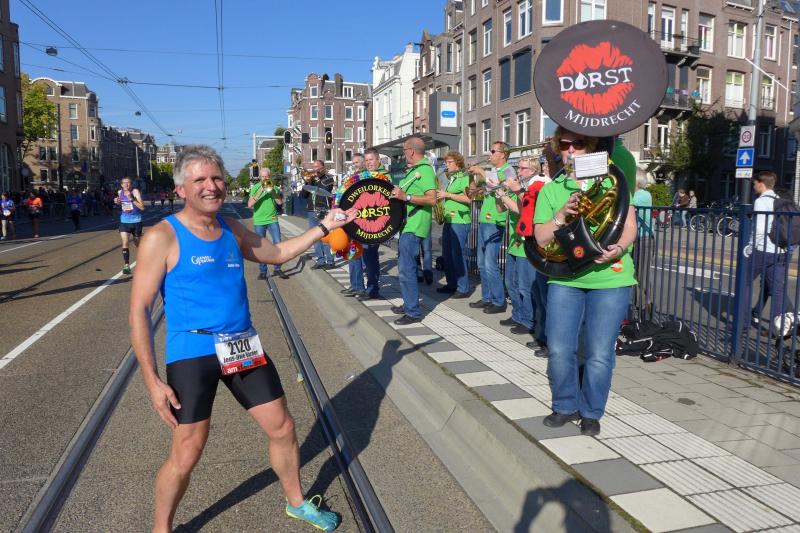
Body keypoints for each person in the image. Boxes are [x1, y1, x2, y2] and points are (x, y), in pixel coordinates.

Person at [129, 145, 354, 533]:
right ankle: (161, 528)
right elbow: (138, 311)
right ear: (181, 189)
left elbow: (277, 252)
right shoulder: (161, 237)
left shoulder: (231, 228)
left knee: (282, 427)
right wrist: (152, 381)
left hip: (241, 345)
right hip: (193, 350)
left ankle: (297, 503)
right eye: (200, 179)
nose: (211, 186)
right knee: (187, 451)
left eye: (216, 177)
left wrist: (324, 227)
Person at [533, 127, 638, 436]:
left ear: (590, 146)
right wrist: (561, 215)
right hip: (566, 277)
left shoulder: (612, 180)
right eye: (564, 144)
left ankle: (592, 411)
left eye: (578, 143)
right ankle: (565, 405)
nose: (571, 149)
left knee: (600, 353)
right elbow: (540, 238)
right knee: (559, 348)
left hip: (610, 278)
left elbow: (629, 225)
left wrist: (619, 248)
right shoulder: (552, 189)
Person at [390, 136, 436, 324]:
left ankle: (413, 312)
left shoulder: (424, 170)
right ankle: (409, 303)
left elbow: (432, 199)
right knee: (405, 268)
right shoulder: (415, 170)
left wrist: (406, 197)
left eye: (404, 151)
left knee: (406, 269)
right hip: (408, 224)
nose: (403, 154)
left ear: (411, 151)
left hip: (415, 225)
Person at [495, 158, 543, 340]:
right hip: (514, 242)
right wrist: (498, 194)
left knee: (525, 286)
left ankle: (528, 320)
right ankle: (517, 314)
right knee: (510, 283)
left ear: (533, 170)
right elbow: (501, 209)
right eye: (519, 168)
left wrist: (509, 194)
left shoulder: (533, 187)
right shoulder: (519, 187)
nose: (519, 171)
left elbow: (523, 210)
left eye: (523, 168)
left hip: (526, 244)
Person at [468, 141, 514, 314]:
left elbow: (500, 186)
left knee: (490, 264)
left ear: (503, 154)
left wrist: (481, 171)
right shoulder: (494, 171)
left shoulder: (508, 170)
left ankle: (498, 301)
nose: (489, 154)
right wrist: (475, 179)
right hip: (484, 219)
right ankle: (487, 297)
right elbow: (481, 190)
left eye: (493, 151)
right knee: (481, 264)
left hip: (495, 221)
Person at [749, 171, 795, 337]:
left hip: (765, 249)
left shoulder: (762, 201)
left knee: (745, 281)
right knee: (775, 288)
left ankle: (743, 323)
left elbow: (760, 228)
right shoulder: (781, 201)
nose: (753, 186)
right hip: (783, 250)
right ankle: (781, 326)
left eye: (755, 183)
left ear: (761, 184)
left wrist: (751, 246)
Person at [435, 151, 471, 298]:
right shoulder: (452, 178)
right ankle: (451, 284)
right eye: (446, 162)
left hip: (460, 221)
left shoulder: (465, 177)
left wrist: (447, 195)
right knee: (447, 254)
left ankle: (463, 288)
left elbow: (469, 199)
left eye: (450, 162)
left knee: (458, 255)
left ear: (458, 163)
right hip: (449, 219)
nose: (447, 165)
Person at [355, 148, 387, 301]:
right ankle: (371, 288)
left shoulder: (385, 176)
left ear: (378, 160)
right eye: (366, 160)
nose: (369, 163)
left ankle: (372, 289)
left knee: (370, 256)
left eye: (371, 160)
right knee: (368, 257)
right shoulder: (362, 177)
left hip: (377, 223)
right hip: (363, 221)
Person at [248, 168, 287, 280]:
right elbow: (250, 204)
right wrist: (261, 191)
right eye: (263, 177)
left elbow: (279, 202)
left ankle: (277, 269)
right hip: (259, 221)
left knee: (278, 244)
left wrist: (273, 192)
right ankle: (263, 271)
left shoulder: (274, 187)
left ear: (270, 177)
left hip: (272, 219)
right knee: (261, 246)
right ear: (260, 177)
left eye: (267, 177)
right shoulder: (255, 187)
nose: (265, 179)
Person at [300, 160, 335, 269]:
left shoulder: (328, 178)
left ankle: (330, 261)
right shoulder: (311, 180)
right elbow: (303, 195)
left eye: (316, 167)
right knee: (315, 237)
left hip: (323, 210)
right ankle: (320, 261)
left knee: (325, 237)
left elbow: (324, 190)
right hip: (311, 211)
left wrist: (317, 178)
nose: (314, 169)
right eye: (313, 167)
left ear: (322, 167)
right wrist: (308, 182)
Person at [341, 154, 367, 297]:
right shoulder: (353, 178)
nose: (354, 165)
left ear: (363, 163)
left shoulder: (366, 177)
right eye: (353, 162)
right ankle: (354, 285)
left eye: (357, 162)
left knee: (359, 255)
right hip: (352, 218)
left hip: (362, 221)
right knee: (352, 253)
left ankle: (361, 287)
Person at [632, 170, 654, 320]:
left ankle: (645, 308)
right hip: (636, 239)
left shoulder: (643, 195)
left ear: (637, 183)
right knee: (633, 274)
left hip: (644, 239)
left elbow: (625, 200)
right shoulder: (636, 195)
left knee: (641, 275)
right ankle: (640, 307)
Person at [115, 177, 146, 275]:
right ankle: (126, 265)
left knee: (137, 245)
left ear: (131, 184)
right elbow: (121, 205)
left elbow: (142, 207)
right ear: (121, 184)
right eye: (125, 183)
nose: (127, 185)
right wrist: (117, 202)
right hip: (124, 221)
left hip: (136, 221)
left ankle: (143, 261)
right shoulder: (120, 192)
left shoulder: (135, 191)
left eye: (128, 183)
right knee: (125, 242)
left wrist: (131, 199)